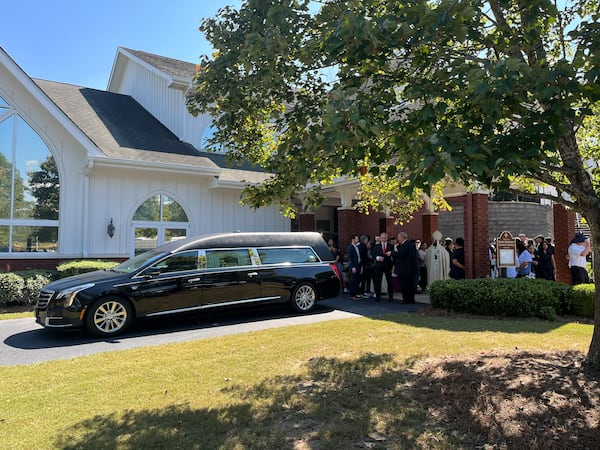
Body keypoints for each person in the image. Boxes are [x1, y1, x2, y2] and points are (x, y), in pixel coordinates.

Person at [393, 231, 419, 303]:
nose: (398, 239)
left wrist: (392, 253)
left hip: (404, 268)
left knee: (405, 284)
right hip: (411, 268)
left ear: (402, 237)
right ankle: (411, 298)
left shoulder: (405, 245)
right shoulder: (411, 244)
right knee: (410, 284)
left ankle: (406, 299)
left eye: (398, 237)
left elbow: (401, 254)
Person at [372, 231, 394, 302]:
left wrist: (393, 265)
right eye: (382, 238)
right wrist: (378, 258)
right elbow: (373, 256)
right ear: (380, 238)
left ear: (387, 238)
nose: (384, 239)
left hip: (388, 266)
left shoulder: (391, 246)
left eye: (385, 238)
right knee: (378, 281)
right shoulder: (376, 246)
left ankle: (391, 296)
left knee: (389, 281)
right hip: (379, 266)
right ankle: (377, 296)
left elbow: (393, 256)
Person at [346, 234, 362, 300]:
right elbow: (350, 258)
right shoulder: (350, 247)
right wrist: (352, 267)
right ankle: (352, 295)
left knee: (357, 280)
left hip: (357, 265)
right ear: (353, 240)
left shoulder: (356, 246)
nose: (358, 240)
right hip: (354, 267)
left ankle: (355, 294)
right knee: (353, 281)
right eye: (356, 239)